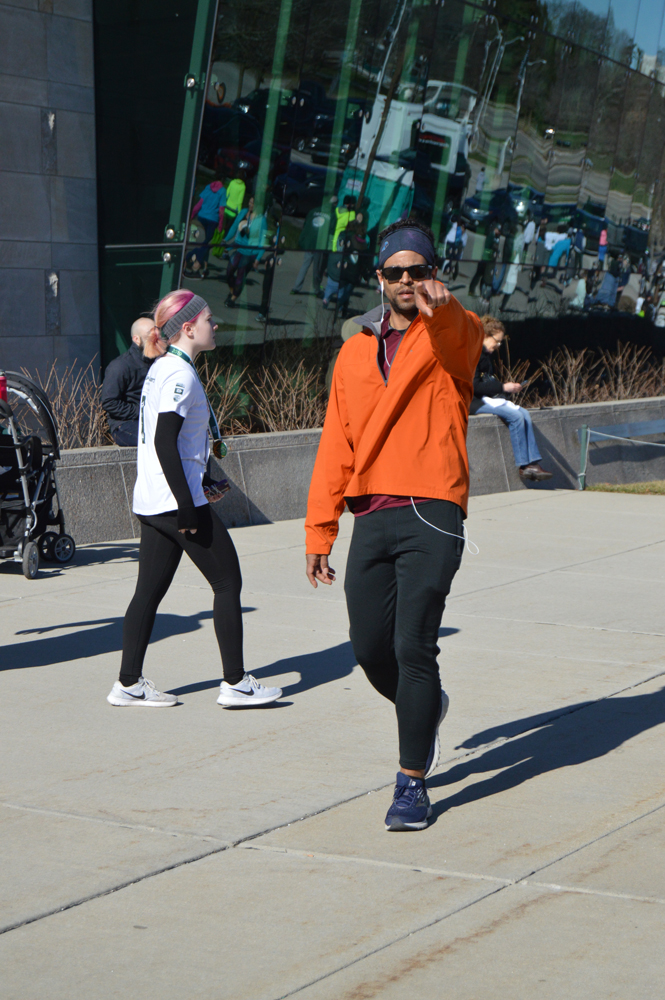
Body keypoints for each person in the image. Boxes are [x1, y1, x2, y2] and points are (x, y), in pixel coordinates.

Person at [305, 219, 484, 832]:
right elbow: (336, 441)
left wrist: (447, 307)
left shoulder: (449, 335)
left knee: (413, 644)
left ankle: (411, 782)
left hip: (433, 507)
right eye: (395, 272)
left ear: (434, 274)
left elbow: (467, 337)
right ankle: (427, 708)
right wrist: (319, 529)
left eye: (419, 271)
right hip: (372, 513)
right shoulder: (354, 351)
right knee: (368, 647)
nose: (407, 281)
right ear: (379, 279)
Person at [107, 289, 282, 709]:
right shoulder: (179, 374)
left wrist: (198, 478)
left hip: (154, 499)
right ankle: (236, 684)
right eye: (208, 319)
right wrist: (189, 503)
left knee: (147, 592)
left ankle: (128, 684)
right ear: (187, 328)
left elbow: (171, 441)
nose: (215, 325)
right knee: (228, 582)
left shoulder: (162, 368)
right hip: (174, 502)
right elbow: (166, 442)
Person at [471, 317, 553, 482]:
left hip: (488, 399)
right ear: (485, 335)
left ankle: (533, 463)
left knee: (523, 413)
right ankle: (524, 465)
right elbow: (474, 386)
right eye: (497, 341)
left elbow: (488, 383)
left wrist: (506, 390)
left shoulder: (486, 355)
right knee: (515, 416)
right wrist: (503, 387)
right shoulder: (472, 353)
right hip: (473, 402)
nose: (498, 346)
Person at [101, 317, 155, 446]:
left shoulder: (160, 362)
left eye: (157, 332)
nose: (156, 338)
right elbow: (109, 403)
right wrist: (143, 411)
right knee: (157, 439)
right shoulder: (120, 366)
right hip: (125, 425)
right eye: (150, 334)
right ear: (136, 339)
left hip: (154, 421)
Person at [223, 196, 268, 307]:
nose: (250, 205)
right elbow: (234, 227)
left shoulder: (262, 220)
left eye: (253, 203)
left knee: (241, 274)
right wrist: (226, 240)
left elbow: (263, 240)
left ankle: (232, 299)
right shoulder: (243, 212)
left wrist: (258, 258)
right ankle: (233, 290)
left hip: (251, 252)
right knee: (229, 271)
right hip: (239, 247)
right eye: (250, 202)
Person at [290, 198, 336, 295]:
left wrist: (303, 239)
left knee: (305, 265)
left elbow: (306, 225)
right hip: (319, 244)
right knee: (317, 268)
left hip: (310, 242)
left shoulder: (313, 211)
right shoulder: (332, 215)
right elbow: (331, 232)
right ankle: (316, 289)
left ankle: (296, 287)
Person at [185, 180, 226, 277]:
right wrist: (220, 225)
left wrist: (191, 216)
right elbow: (221, 210)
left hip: (201, 217)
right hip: (213, 220)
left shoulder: (208, 187)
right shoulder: (223, 191)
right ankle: (194, 266)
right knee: (204, 245)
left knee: (200, 242)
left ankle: (203, 268)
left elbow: (199, 204)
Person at [468, 224, 500, 297]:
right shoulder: (491, 236)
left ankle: (477, 291)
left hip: (486, 258)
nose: (498, 232)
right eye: (498, 230)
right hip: (485, 259)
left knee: (481, 275)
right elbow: (489, 246)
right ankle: (473, 290)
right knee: (479, 275)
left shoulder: (492, 235)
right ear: (495, 229)